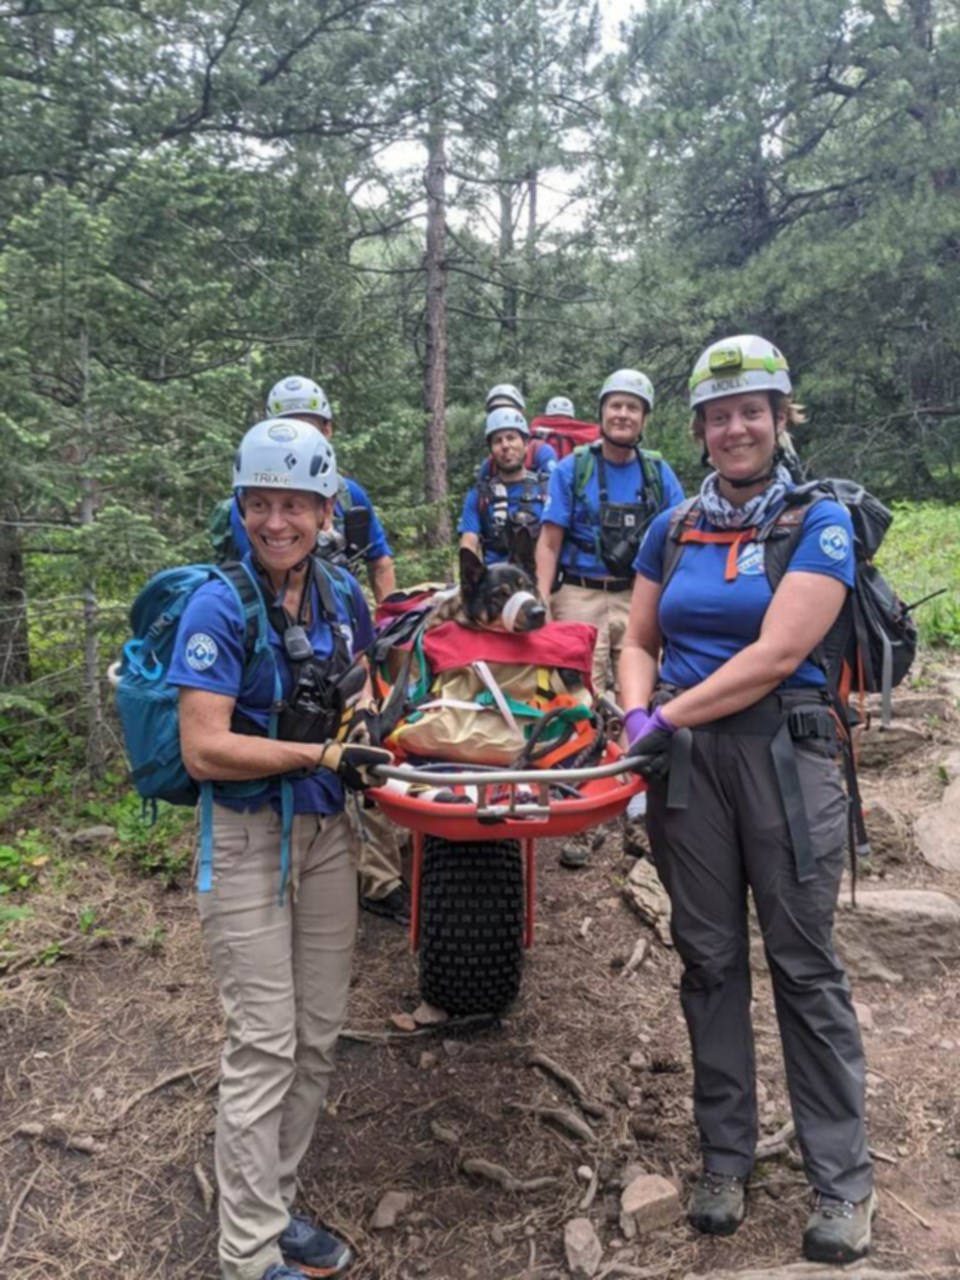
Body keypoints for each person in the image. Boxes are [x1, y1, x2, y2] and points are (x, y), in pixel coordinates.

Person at [619, 335, 875, 1265]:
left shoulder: (819, 523)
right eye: (719, 415)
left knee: (804, 968)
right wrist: (637, 710)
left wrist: (663, 718)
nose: (735, 428)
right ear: (699, 429)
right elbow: (638, 636)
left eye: (751, 411)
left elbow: (776, 652)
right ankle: (726, 1158)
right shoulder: (674, 526)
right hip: (689, 767)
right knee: (710, 961)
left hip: (784, 757)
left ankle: (843, 1182)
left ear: (779, 418)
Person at [170, 417, 391, 1280]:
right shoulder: (218, 605)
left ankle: (274, 1201)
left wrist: (362, 722)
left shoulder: (341, 595)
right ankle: (247, 1254)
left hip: (327, 834)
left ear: (324, 508)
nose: (275, 521)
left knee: (317, 1033)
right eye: (259, 502)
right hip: (248, 838)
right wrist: (321, 753)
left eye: (293, 504)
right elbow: (204, 747)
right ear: (241, 505)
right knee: (263, 1038)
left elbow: (361, 678)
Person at [217, 376, 409, 924]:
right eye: (293, 424)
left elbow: (379, 557)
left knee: (360, 739)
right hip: (278, 638)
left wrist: (386, 616)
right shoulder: (250, 510)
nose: (275, 518)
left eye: (314, 425)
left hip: (337, 624)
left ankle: (378, 877)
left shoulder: (349, 495)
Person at [535, 368, 684, 697]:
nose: (623, 415)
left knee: (640, 695)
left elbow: (681, 539)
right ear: (602, 412)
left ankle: (631, 750)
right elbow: (549, 541)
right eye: (616, 406)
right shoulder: (572, 469)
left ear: (644, 418)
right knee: (578, 694)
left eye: (633, 408)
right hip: (578, 595)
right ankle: (583, 749)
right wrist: (542, 598)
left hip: (637, 597)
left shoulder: (658, 473)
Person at [459, 408, 556, 565]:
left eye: (511, 438)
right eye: (497, 441)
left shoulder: (548, 490)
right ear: (491, 449)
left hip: (540, 578)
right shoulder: (479, 496)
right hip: (494, 580)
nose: (505, 446)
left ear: (526, 444)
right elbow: (469, 542)